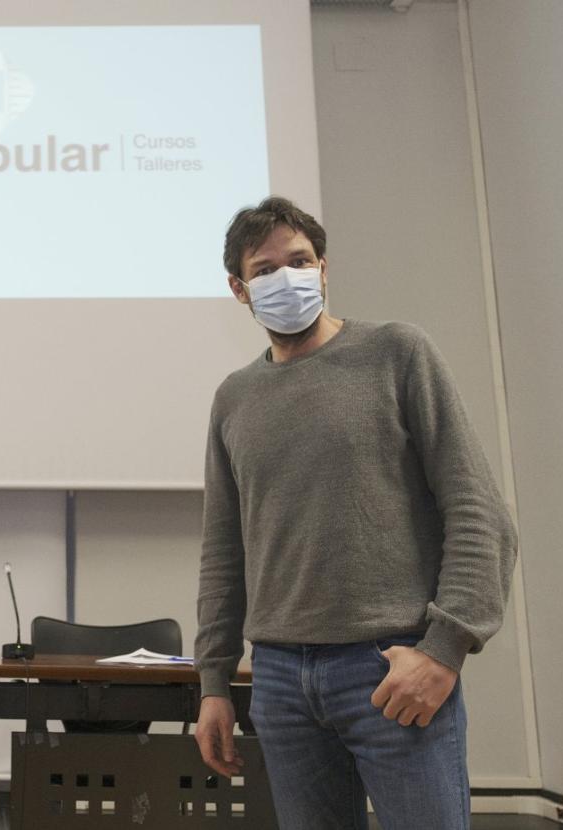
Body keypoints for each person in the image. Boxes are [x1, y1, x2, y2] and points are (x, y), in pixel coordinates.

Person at [192, 197, 517, 829]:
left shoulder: (397, 353)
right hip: (280, 679)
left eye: (300, 261)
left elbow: (479, 511)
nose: (286, 278)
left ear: (324, 269)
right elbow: (222, 552)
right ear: (238, 288)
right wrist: (212, 682)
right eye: (264, 270)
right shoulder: (234, 397)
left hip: (390, 668)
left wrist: (445, 648)